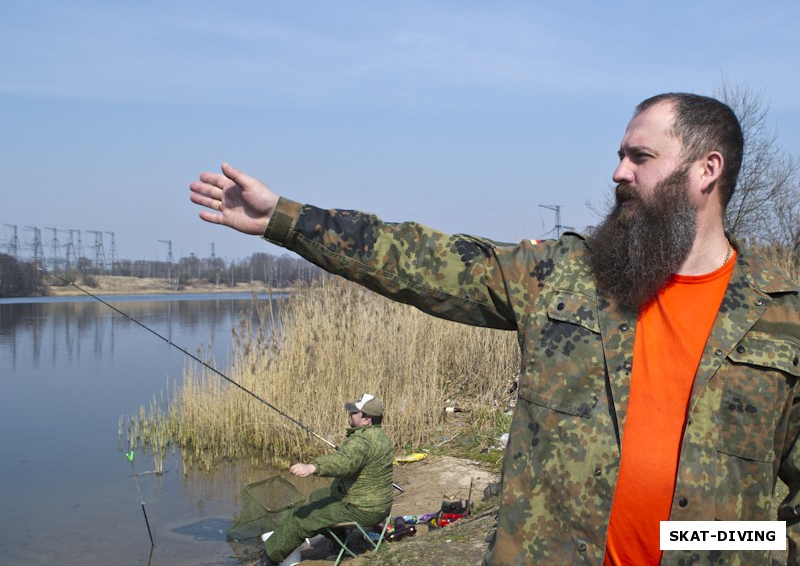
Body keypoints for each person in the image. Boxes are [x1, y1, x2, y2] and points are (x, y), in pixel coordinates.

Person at [190, 93, 800, 565]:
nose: (617, 172)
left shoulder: (781, 321)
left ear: (706, 169)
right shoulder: (567, 278)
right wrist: (288, 221)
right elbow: (425, 260)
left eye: (640, 157)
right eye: (619, 155)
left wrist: (731, 542)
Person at [256, 393, 394, 566]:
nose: (349, 414)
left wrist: (312, 467)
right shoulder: (381, 437)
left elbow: (344, 463)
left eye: (354, 412)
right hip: (379, 505)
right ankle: (340, 539)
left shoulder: (361, 442)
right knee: (317, 496)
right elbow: (354, 461)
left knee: (300, 519)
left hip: (362, 508)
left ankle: (268, 560)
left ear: (367, 420)